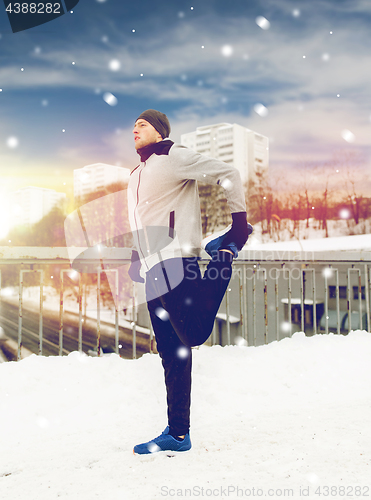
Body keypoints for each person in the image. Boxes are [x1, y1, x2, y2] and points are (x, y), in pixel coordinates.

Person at [127, 109, 252, 455]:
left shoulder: (172, 156)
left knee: (194, 334)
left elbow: (229, 173)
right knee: (172, 353)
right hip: (153, 270)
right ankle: (178, 434)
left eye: (143, 124)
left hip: (175, 261)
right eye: (133, 124)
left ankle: (225, 251)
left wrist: (239, 225)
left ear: (160, 131)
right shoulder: (136, 173)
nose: (135, 128)